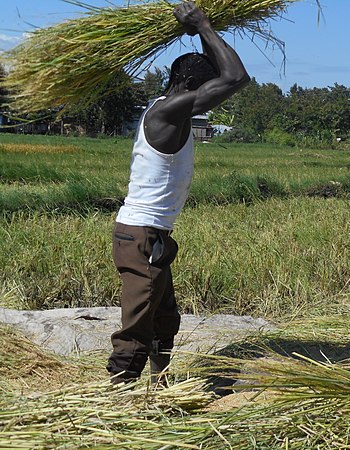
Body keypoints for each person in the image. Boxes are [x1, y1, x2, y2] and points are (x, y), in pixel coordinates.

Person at [107, 1, 249, 384]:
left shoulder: (169, 106)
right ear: (189, 87)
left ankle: (160, 381)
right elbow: (236, 77)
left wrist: (206, 32)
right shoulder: (166, 113)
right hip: (141, 236)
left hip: (151, 235)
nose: (212, 97)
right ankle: (116, 401)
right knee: (135, 327)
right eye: (206, 90)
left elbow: (222, 74)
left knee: (163, 317)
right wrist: (202, 24)